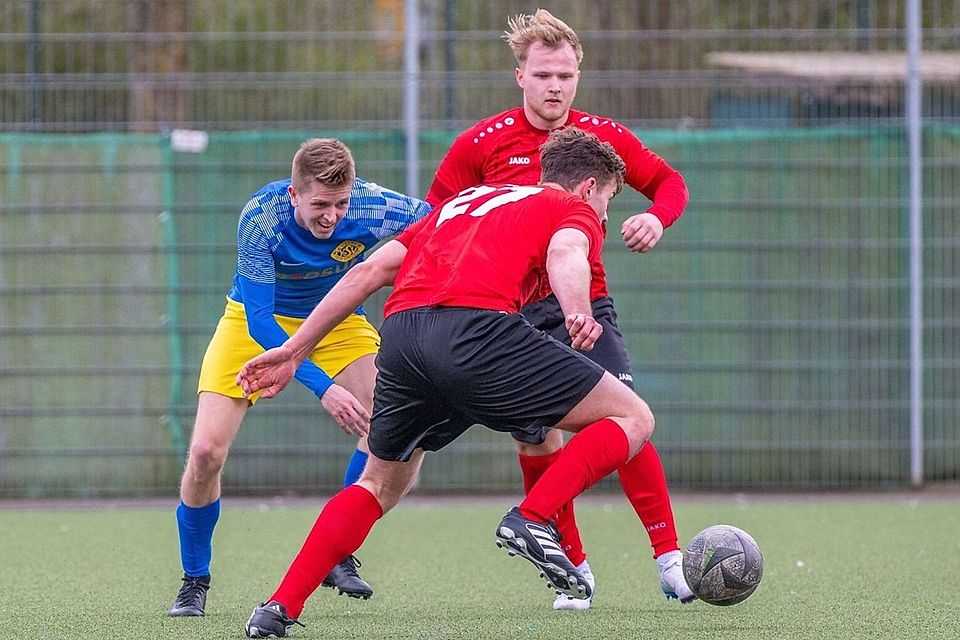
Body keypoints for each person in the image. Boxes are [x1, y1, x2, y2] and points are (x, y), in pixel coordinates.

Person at [238, 128, 654, 638]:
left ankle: (278, 607)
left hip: (405, 336)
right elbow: (566, 253)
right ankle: (534, 515)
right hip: (478, 330)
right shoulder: (574, 209)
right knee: (633, 415)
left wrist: (293, 348)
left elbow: (368, 273)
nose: (606, 214)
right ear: (590, 187)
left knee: (379, 484)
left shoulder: (464, 201)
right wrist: (577, 312)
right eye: (610, 199)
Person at [423, 9, 694, 609]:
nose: (555, 86)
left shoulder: (602, 141)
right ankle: (573, 568)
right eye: (543, 73)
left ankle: (671, 560)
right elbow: (436, 221)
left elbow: (669, 182)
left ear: (578, 77)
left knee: (627, 418)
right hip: (510, 313)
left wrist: (655, 215)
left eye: (565, 75)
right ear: (520, 75)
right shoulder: (480, 144)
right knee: (537, 438)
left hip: (587, 303)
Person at [167, 138, 431, 617]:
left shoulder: (377, 206)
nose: (331, 216)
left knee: (389, 425)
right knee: (206, 453)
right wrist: (324, 388)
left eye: (341, 203)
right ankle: (195, 579)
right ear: (294, 194)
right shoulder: (262, 216)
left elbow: (443, 224)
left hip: (337, 320)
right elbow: (261, 323)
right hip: (254, 324)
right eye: (319, 205)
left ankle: (337, 551)